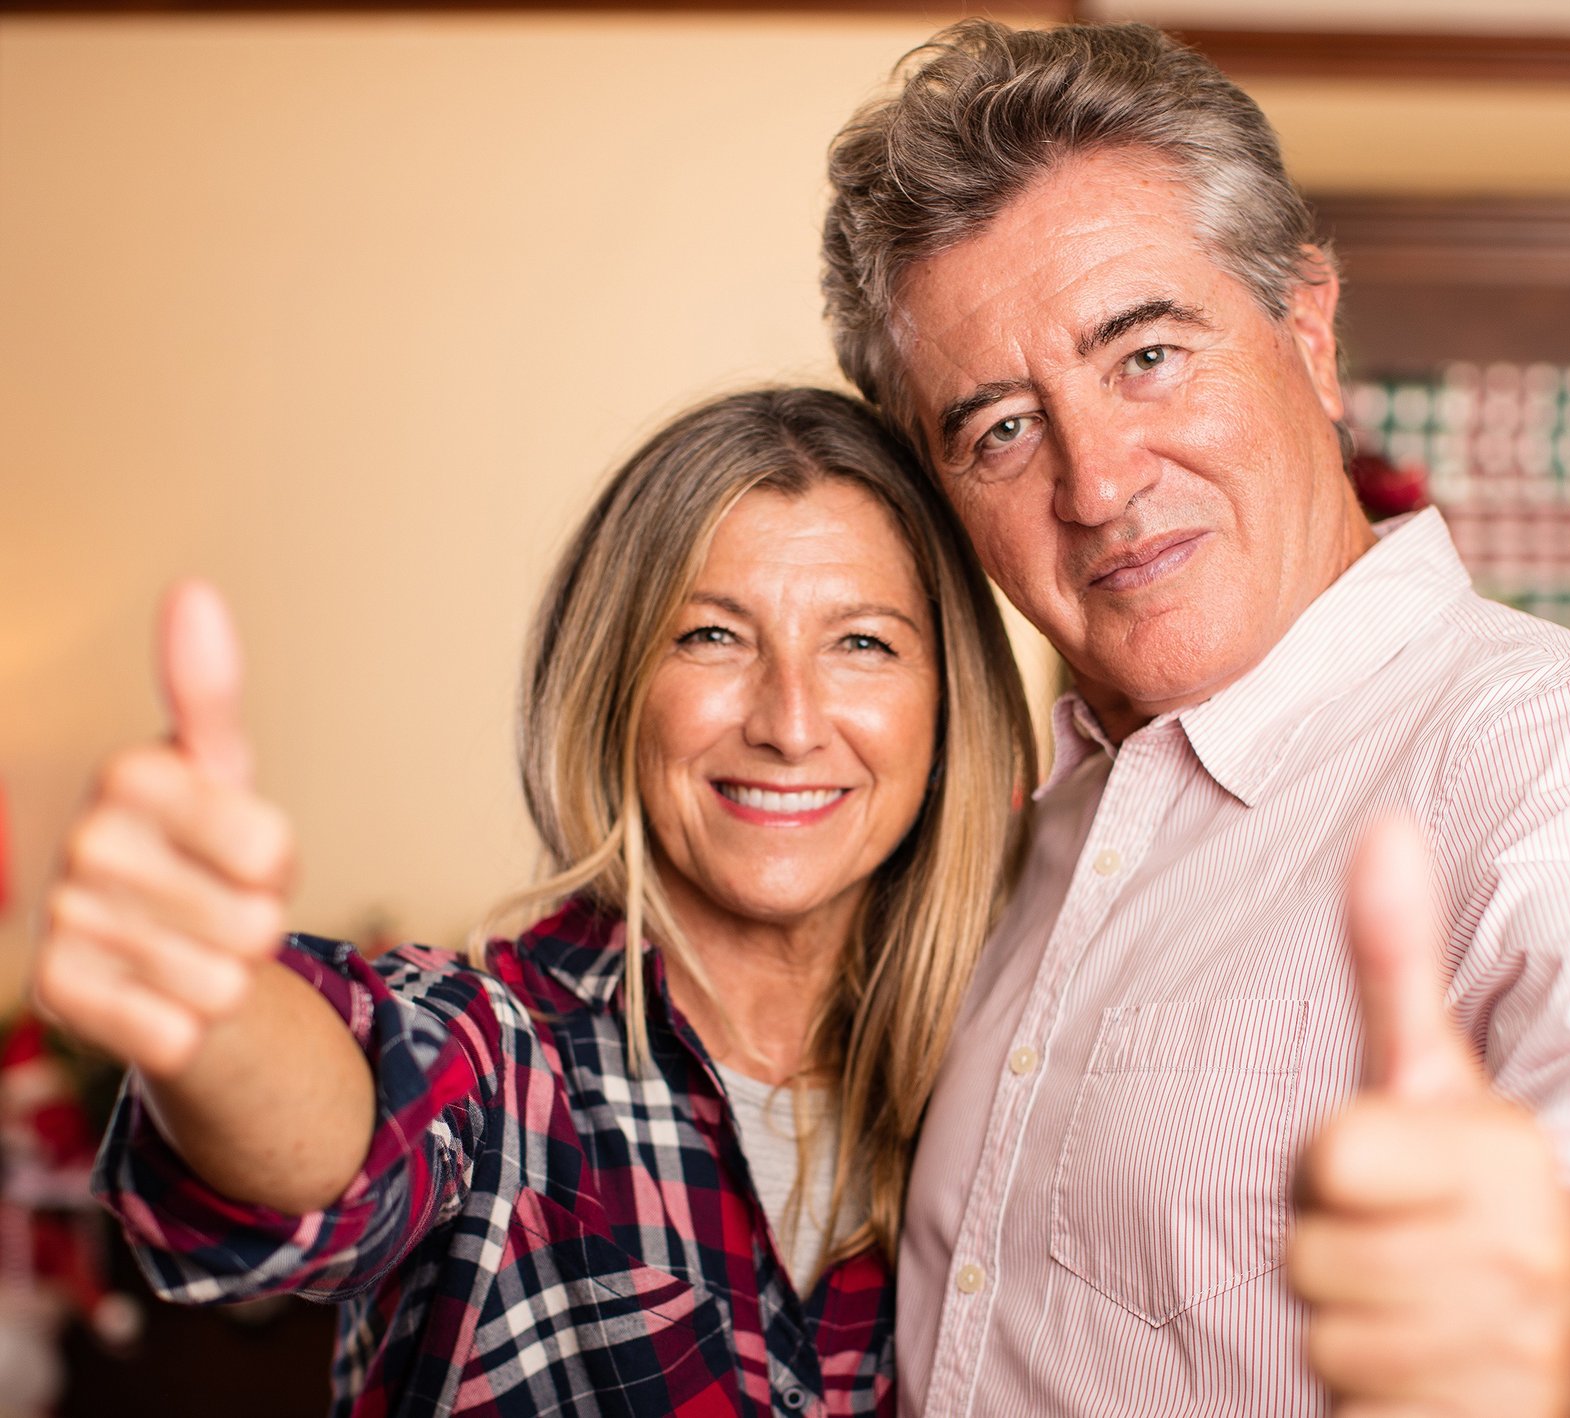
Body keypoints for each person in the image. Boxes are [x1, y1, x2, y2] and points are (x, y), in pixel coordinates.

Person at [818, 19, 1570, 1418]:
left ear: (1310, 334)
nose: (1097, 482)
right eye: (1003, 429)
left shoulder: (1558, 738)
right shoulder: (1012, 835)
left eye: (1146, 354)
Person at [32, 387, 1036, 1415]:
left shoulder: (1008, 1066)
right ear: (616, 683)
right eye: (711, 636)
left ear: (947, 707)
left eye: (863, 642)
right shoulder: (504, 1049)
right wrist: (218, 1007)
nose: (789, 720)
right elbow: (354, 1119)